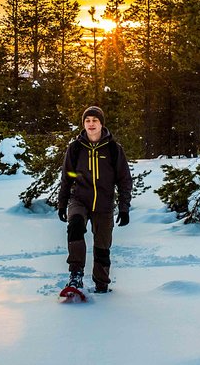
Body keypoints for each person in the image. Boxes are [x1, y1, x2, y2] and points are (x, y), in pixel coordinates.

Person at [57, 105, 133, 293]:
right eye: (87, 121)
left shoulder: (114, 149)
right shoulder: (75, 148)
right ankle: (76, 275)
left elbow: (124, 180)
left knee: (102, 246)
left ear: (101, 124)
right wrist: (62, 203)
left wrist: (124, 208)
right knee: (75, 226)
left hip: (104, 204)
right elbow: (67, 177)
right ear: (83, 124)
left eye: (95, 121)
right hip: (79, 200)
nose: (91, 124)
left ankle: (101, 284)